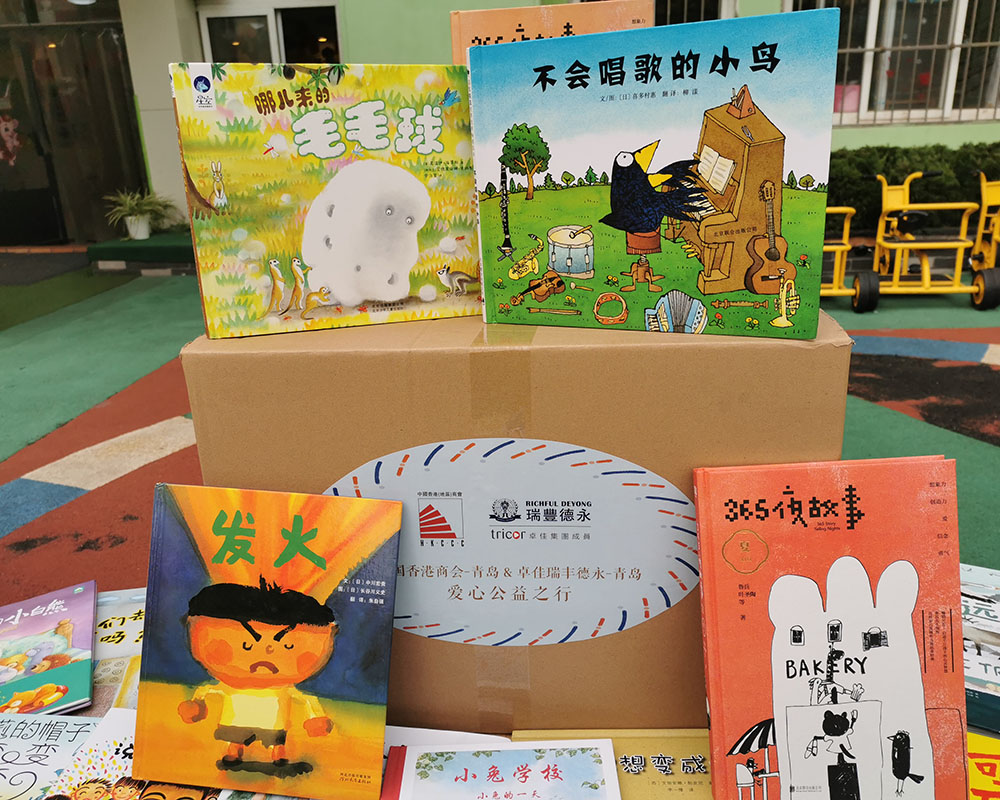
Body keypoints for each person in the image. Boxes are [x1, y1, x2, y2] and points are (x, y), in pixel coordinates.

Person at [178, 577, 337, 772]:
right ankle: (235, 751)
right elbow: (207, 691)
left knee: (275, 738)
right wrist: (196, 704)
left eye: (287, 646)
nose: (268, 652)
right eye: (246, 645)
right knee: (236, 735)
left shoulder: (281, 688)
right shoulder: (232, 685)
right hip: (237, 719)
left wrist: (316, 718)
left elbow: (306, 700)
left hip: (273, 722)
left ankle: (278, 753)